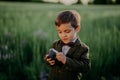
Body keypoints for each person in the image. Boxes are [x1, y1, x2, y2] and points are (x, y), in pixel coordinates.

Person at [44, 10, 91, 80]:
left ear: (77, 29)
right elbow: (47, 58)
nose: (63, 35)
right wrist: (48, 60)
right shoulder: (55, 44)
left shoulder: (83, 48)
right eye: (60, 32)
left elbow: (85, 67)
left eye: (67, 31)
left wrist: (66, 60)